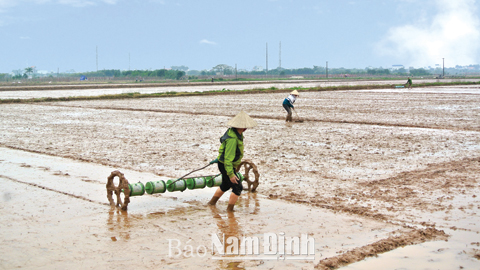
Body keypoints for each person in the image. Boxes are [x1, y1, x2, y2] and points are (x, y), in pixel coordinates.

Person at [208, 111, 258, 212]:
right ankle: (230, 210)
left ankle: (211, 203)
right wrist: (231, 174)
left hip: (225, 164)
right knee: (238, 187)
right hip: (226, 165)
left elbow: (225, 151)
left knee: (225, 185)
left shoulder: (234, 133)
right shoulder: (233, 139)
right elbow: (228, 158)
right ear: (242, 127)